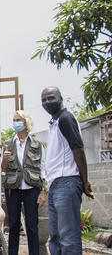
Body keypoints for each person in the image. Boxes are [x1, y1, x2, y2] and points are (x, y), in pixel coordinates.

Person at [40, 86, 93, 255]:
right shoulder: (55, 122)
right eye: (44, 100)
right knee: (55, 237)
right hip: (55, 184)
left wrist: (85, 181)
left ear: (60, 98)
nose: (47, 102)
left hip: (68, 182)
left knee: (68, 237)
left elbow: (78, 150)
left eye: (51, 98)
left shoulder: (66, 119)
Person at [1, 110, 46, 255]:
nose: (15, 123)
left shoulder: (37, 144)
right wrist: (5, 160)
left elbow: (43, 168)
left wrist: (43, 191)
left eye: (18, 120)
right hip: (13, 188)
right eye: (14, 120)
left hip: (31, 187)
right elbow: (3, 169)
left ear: (25, 122)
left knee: (32, 225)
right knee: (13, 224)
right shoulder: (8, 144)